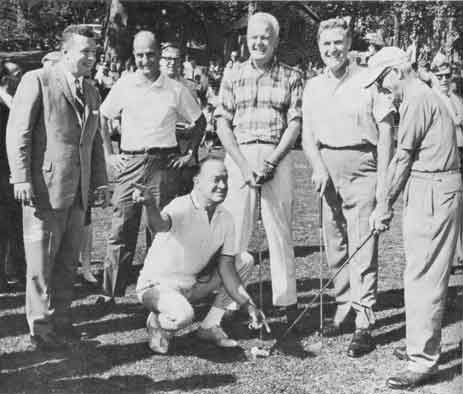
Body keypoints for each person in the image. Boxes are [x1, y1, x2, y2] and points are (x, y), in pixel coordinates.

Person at [6, 25, 109, 351]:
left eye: (94, 52)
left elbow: (92, 144)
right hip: (43, 191)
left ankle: (63, 322)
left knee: (67, 264)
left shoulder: (91, 90)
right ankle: (40, 328)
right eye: (85, 52)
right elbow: (17, 132)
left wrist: (100, 182)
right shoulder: (37, 80)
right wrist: (21, 177)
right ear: (65, 53)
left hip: (77, 193)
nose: (91, 58)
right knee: (40, 265)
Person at [368, 47, 463, 390]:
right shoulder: (421, 96)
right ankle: (418, 344)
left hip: (434, 189)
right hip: (430, 187)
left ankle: (422, 361)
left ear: (394, 73)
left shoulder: (417, 99)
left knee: (424, 276)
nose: (381, 90)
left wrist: (383, 206)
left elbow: (402, 158)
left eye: (381, 82)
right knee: (419, 271)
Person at [301, 17, 395, 357]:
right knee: (336, 245)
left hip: (363, 169)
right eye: (326, 44)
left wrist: (383, 184)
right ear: (319, 47)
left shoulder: (369, 79)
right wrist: (316, 166)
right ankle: (344, 306)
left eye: (338, 42)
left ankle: (364, 322)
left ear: (349, 42)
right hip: (327, 171)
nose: (332, 49)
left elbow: (386, 134)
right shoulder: (313, 86)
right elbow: (307, 135)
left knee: (363, 248)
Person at [98, 31, 205, 308]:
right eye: (139, 55)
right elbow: (103, 116)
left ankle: (159, 288)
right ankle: (111, 292)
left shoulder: (175, 89)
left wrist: (190, 153)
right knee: (121, 227)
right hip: (130, 163)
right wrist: (110, 154)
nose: (145, 60)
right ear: (134, 56)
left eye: (150, 54)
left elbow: (199, 121)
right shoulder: (125, 84)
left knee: (160, 230)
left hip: (163, 164)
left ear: (158, 55)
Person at [215, 12, 303, 328]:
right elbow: (222, 122)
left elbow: (295, 124)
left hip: (276, 156)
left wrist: (271, 162)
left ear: (276, 40)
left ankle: (286, 301)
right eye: (253, 36)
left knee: (279, 231)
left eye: (266, 36)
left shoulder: (291, 75)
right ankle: (231, 302)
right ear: (246, 39)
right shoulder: (232, 73)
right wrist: (242, 164)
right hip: (239, 156)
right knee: (235, 232)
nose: (259, 42)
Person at [135, 156, 266, 353]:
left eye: (225, 179)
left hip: (191, 285)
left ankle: (209, 326)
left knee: (244, 260)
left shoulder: (226, 218)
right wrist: (150, 205)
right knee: (184, 316)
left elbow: (227, 269)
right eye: (215, 179)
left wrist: (249, 306)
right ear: (197, 182)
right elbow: (159, 225)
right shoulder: (181, 205)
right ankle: (157, 321)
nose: (222, 185)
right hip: (155, 286)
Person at [159, 42, 202, 196]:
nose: (172, 62)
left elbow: (199, 121)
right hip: (161, 150)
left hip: (185, 146)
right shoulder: (154, 84)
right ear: (160, 60)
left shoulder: (189, 87)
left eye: (176, 59)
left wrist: (191, 152)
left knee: (186, 199)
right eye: (167, 58)